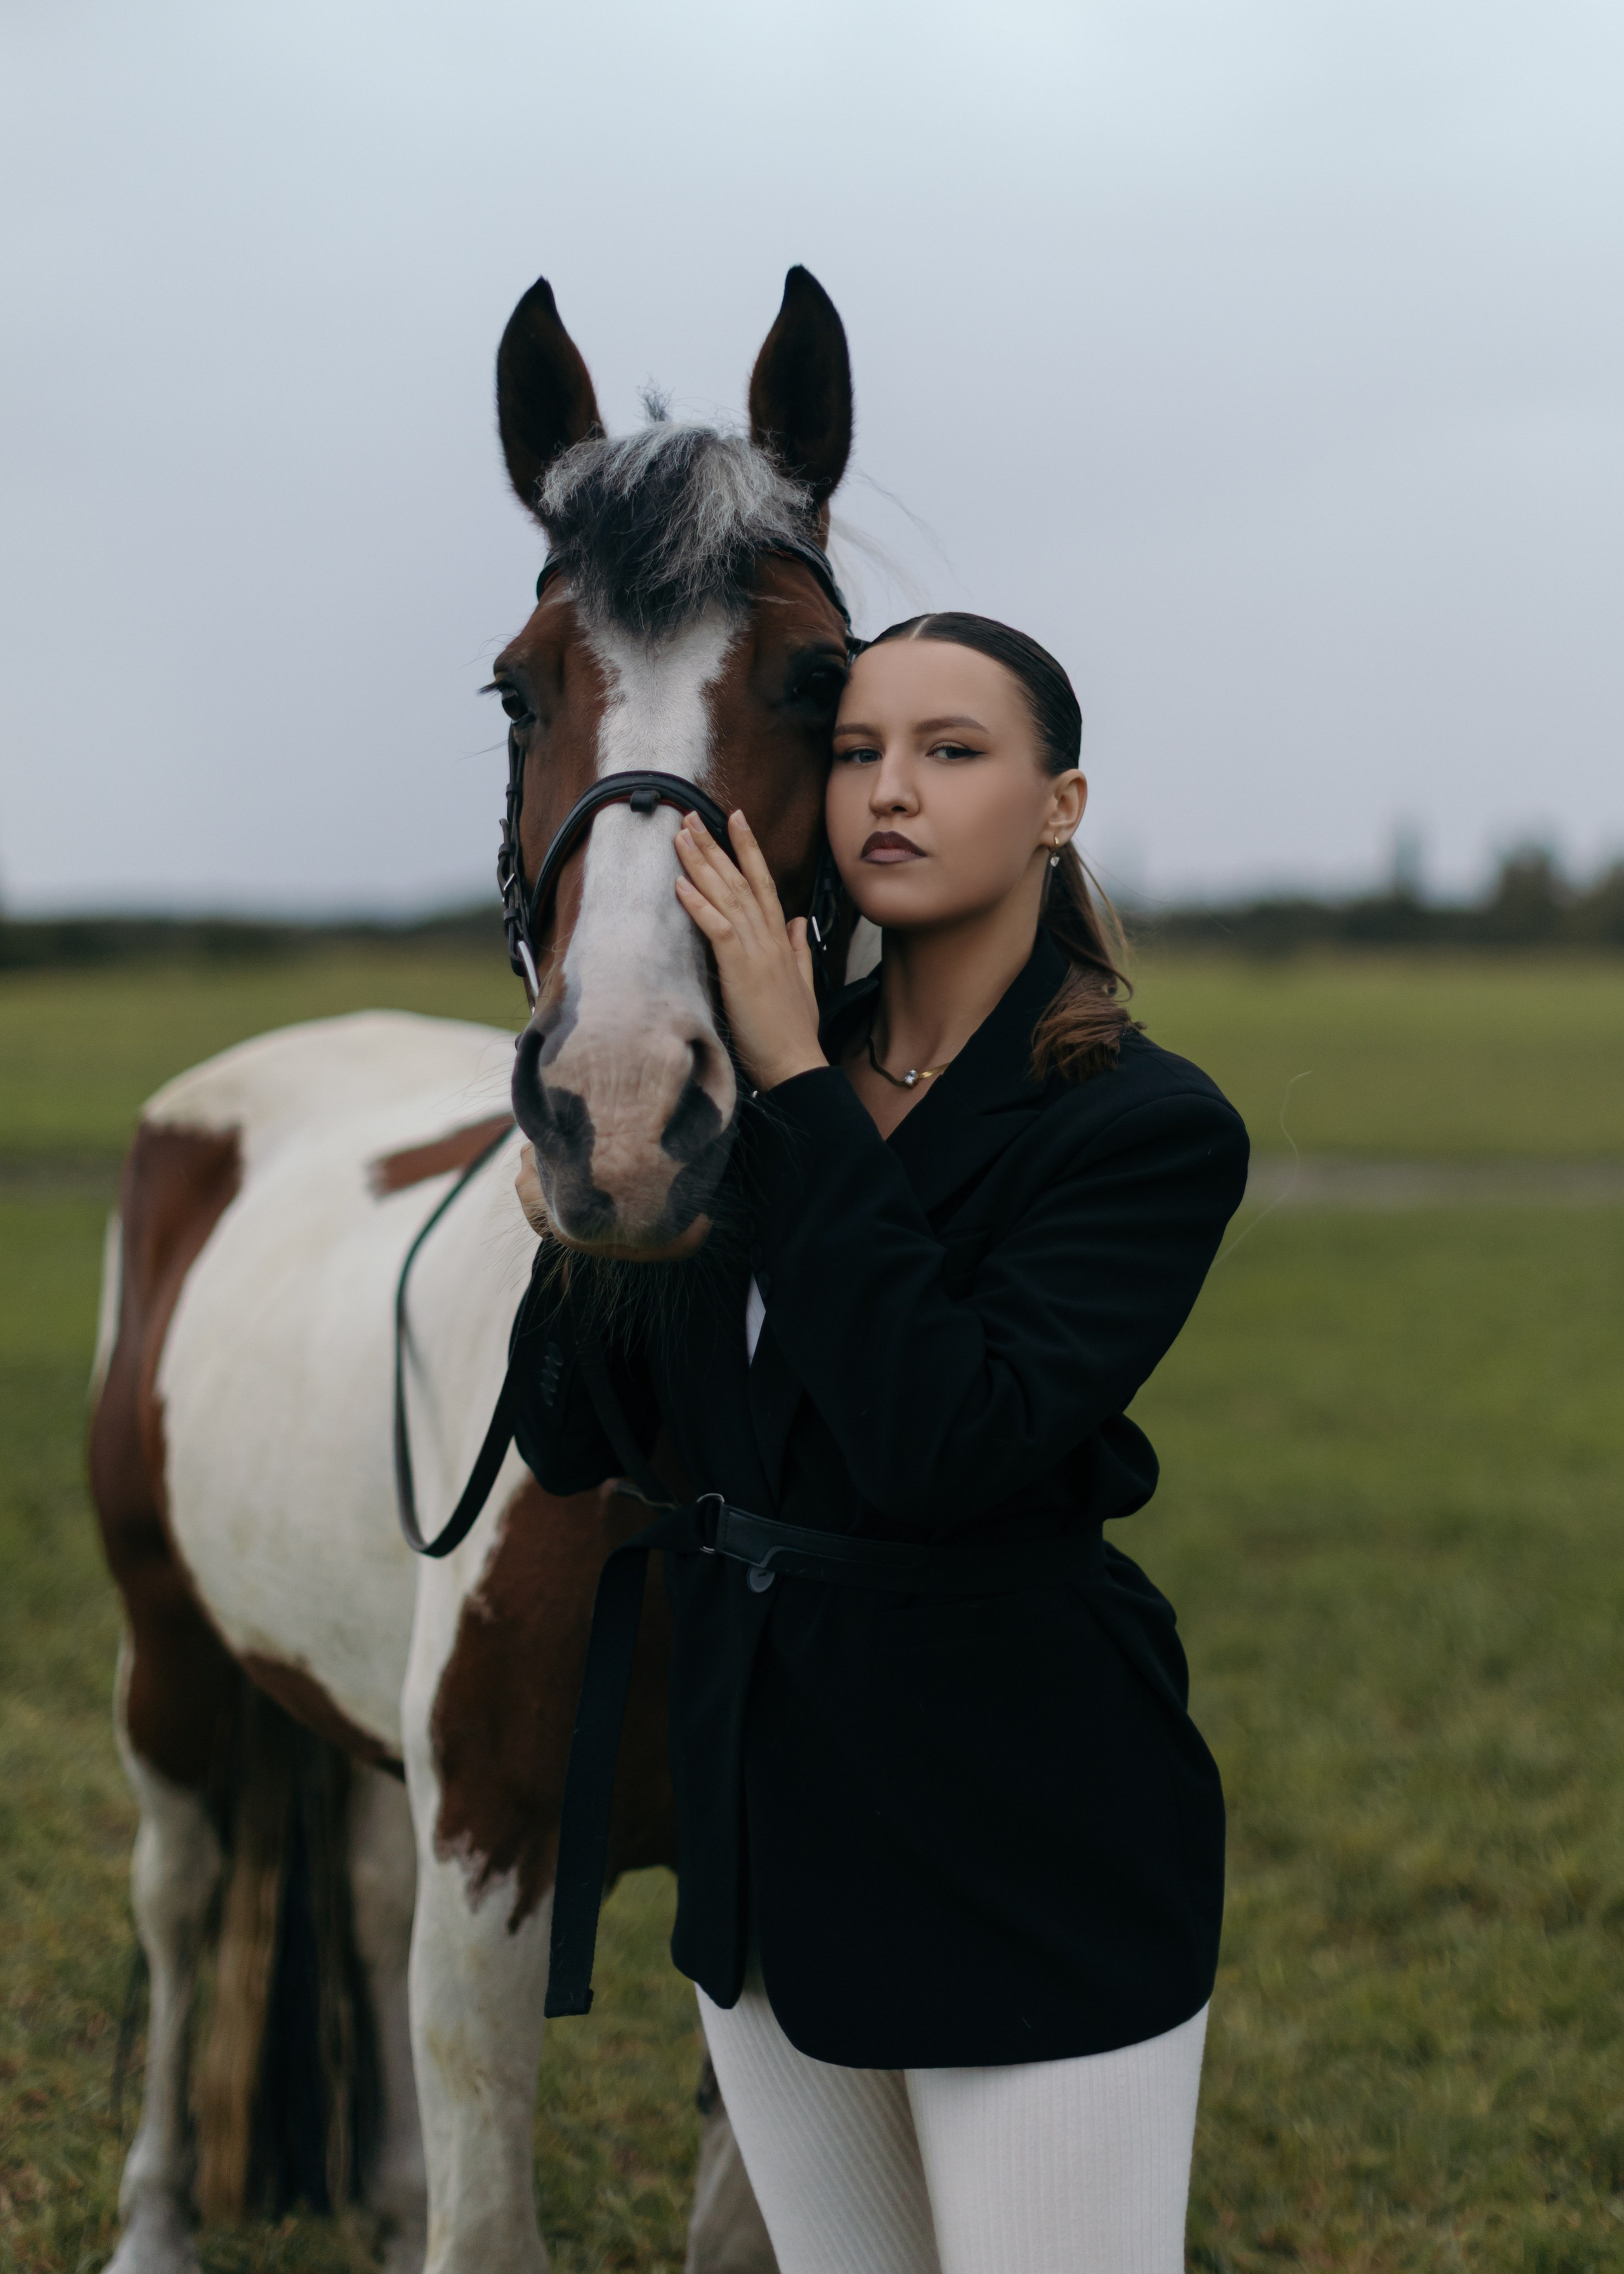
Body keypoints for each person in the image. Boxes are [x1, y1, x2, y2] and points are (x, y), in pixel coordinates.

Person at [513, 612, 1249, 2274]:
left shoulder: (1141, 1124)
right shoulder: (757, 1099)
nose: (889, 792)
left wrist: (789, 1078)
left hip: (1023, 1834)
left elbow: (941, 1438)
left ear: (1060, 804)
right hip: (768, 1842)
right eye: (857, 752)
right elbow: (578, 1439)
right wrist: (598, 1161)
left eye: (952, 751)